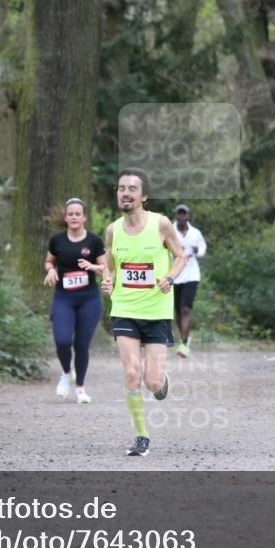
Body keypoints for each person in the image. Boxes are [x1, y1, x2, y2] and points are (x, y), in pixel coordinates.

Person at [101, 168, 187, 456]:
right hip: (124, 308)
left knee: (151, 381)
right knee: (131, 373)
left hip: (157, 311)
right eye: (121, 188)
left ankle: (160, 381)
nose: (125, 193)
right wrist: (107, 278)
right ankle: (141, 437)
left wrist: (170, 278)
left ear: (144, 196)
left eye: (132, 189)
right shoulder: (112, 229)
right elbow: (110, 263)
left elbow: (180, 256)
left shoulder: (161, 224)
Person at [44, 198, 107, 404]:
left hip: (89, 299)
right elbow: (48, 261)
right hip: (64, 298)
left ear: (84, 217)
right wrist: (51, 270)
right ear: (66, 217)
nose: (73, 217)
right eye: (70, 214)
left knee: (81, 344)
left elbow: (106, 269)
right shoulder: (57, 241)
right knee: (62, 340)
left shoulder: (94, 242)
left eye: (77, 214)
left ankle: (80, 388)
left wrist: (92, 267)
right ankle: (65, 372)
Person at [171, 204, 207, 358]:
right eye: (179, 214)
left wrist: (196, 249)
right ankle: (184, 337)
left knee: (186, 309)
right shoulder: (170, 231)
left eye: (184, 214)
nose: (181, 216)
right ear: (176, 216)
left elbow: (203, 248)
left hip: (191, 274)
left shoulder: (195, 233)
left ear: (188, 216)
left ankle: (184, 343)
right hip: (174, 274)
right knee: (178, 311)